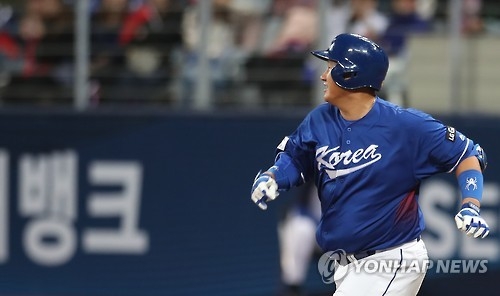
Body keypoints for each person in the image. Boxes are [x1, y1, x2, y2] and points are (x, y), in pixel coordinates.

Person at [250, 33, 490, 295]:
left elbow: (468, 154)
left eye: (331, 68)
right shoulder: (319, 120)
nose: (323, 76)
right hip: (346, 266)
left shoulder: (405, 126)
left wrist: (470, 206)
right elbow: (295, 158)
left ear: (350, 75)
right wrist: (273, 177)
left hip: (391, 259)